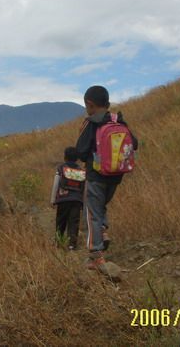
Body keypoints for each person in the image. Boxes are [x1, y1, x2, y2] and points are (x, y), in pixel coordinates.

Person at [76, 85, 138, 269]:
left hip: (96, 176)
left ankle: (96, 256)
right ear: (108, 103)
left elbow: (81, 151)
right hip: (116, 176)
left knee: (92, 213)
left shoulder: (91, 123)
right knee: (101, 206)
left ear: (89, 104)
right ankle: (102, 232)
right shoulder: (119, 121)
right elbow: (134, 144)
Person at [50, 146, 85, 250]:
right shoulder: (81, 170)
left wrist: (53, 200)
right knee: (73, 222)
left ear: (65, 157)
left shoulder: (61, 168)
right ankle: (72, 245)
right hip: (76, 200)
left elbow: (56, 183)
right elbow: (83, 187)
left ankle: (58, 243)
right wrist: (83, 202)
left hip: (63, 199)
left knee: (61, 221)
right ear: (77, 158)